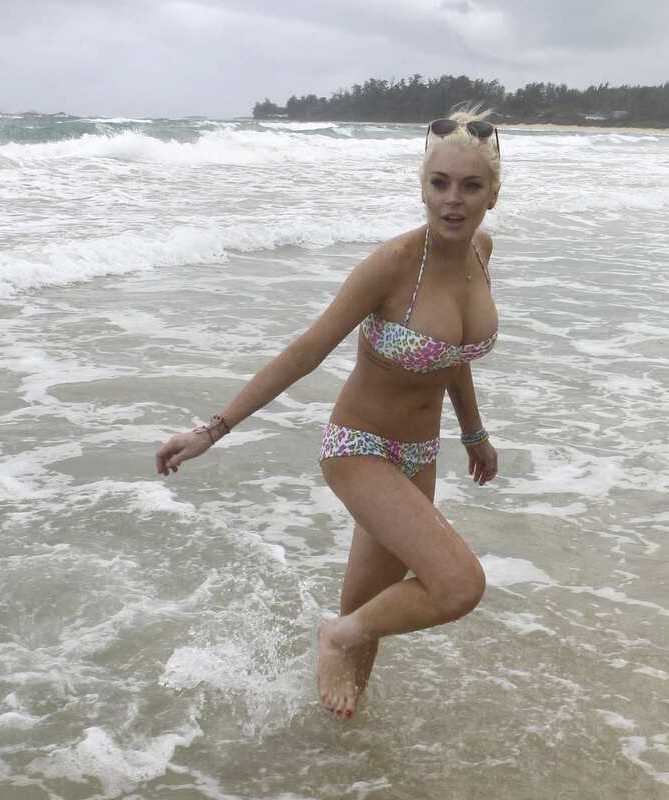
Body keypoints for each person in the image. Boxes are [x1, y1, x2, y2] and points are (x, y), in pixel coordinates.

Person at [155, 102, 503, 721]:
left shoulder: (481, 250)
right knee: (456, 586)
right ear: (422, 188)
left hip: (420, 453)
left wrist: (473, 432)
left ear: (492, 194)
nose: (453, 200)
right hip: (359, 448)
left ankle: (334, 747)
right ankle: (332, 636)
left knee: (368, 619)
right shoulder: (393, 265)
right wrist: (214, 429)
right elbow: (306, 350)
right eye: (439, 183)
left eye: (470, 186)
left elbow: (452, 357)